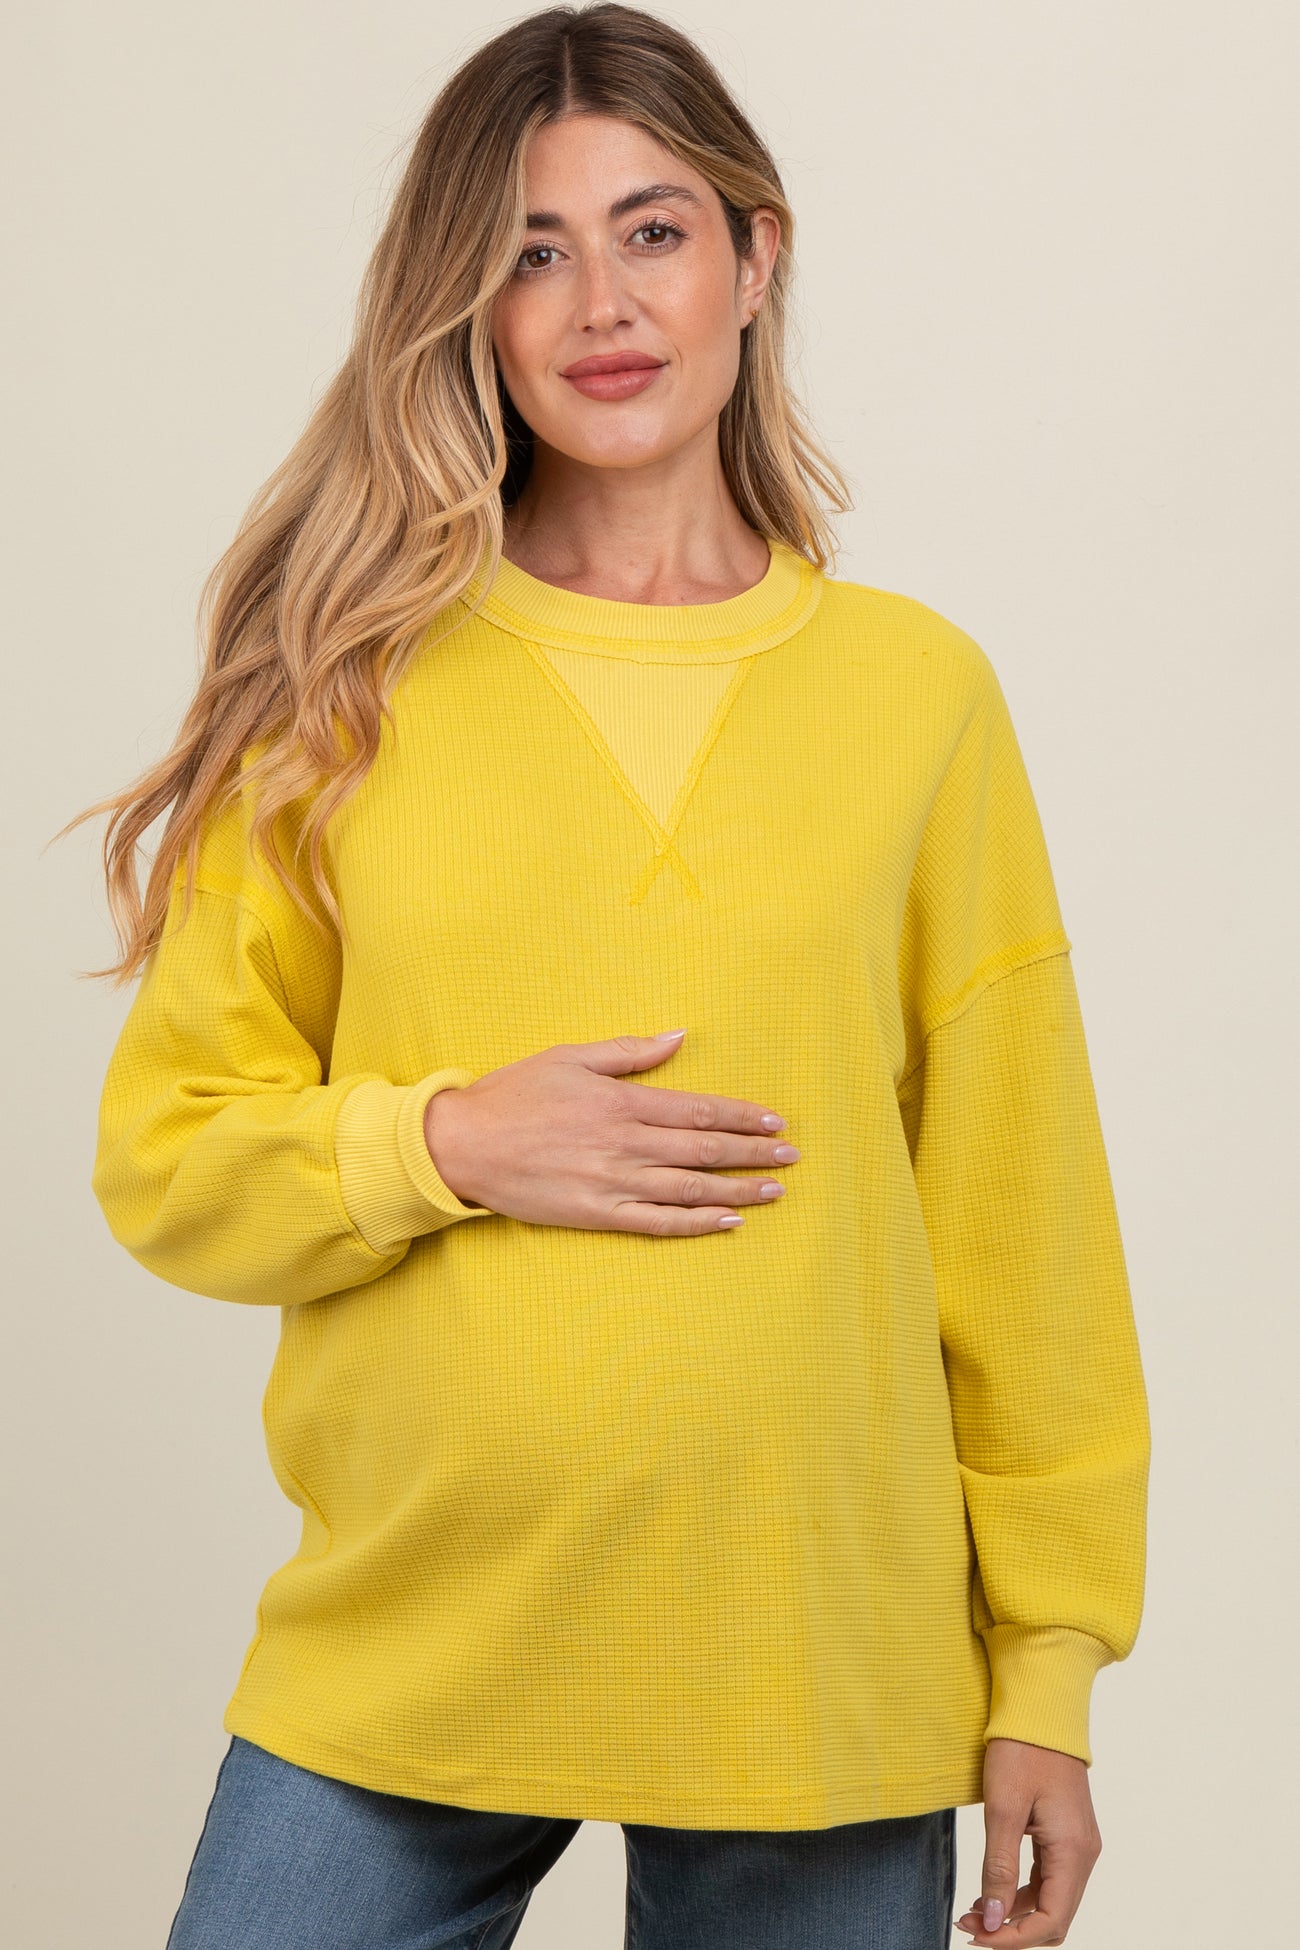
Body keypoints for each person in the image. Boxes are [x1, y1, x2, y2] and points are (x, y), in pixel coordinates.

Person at [71, 6, 1150, 1946]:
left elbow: (1023, 1223)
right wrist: (447, 1143)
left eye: (653, 232)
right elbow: (169, 1156)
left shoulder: (914, 696)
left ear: (755, 254)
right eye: (530, 252)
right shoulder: (343, 685)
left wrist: (1045, 1673)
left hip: (813, 1662)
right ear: (466, 307)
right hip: (411, 1645)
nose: (601, 305)